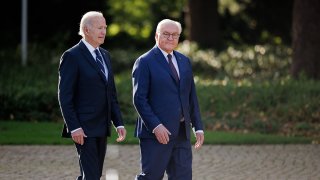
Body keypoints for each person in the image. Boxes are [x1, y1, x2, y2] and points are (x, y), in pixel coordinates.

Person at [132, 19, 205, 180]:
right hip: (157, 134)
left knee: (183, 177)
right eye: (166, 34)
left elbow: (191, 97)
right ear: (156, 36)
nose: (171, 38)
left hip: (181, 133)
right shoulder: (144, 62)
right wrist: (156, 126)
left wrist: (197, 126)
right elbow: (139, 99)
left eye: (175, 35)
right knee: (151, 177)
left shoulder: (184, 61)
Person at [58, 11, 126, 180]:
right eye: (99, 28)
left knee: (91, 174)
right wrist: (74, 126)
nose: (103, 32)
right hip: (83, 128)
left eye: (105, 27)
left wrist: (118, 123)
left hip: (102, 126)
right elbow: (65, 96)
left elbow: (110, 92)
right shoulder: (71, 56)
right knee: (92, 175)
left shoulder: (105, 55)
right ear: (86, 30)